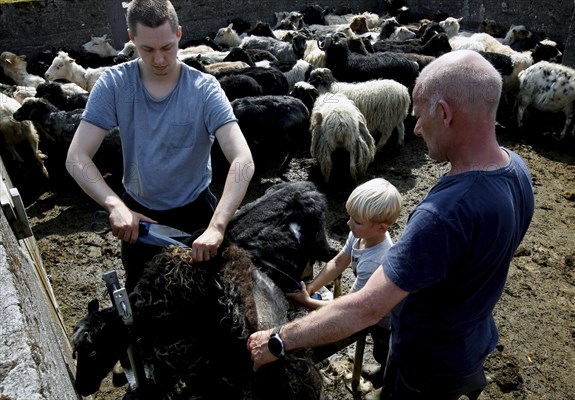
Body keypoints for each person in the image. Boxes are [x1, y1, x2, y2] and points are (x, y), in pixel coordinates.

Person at [247, 49, 535, 400]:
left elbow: (366, 308)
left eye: (418, 117)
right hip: (472, 337)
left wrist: (279, 339)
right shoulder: (516, 170)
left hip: (426, 361)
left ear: (444, 113)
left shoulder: (444, 215)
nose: (414, 128)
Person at [66, 0, 255, 292]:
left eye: (167, 48)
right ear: (132, 40)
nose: (159, 60)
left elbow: (243, 158)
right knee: (144, 296)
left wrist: (217, 227)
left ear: (179, 34)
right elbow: (77, 156)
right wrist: (114, 204)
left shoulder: (204, 89)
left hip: (198, 216)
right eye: (148, 50)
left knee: (207, 297)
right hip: (138, 218)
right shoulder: (114, 85)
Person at [286, 177, 402, 379]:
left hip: (385, 318)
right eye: (350, 217)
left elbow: (349, 308)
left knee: (384, 348)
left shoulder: (375, 262)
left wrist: (306, 302)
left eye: (356, 221)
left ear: (381, 228)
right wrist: (312, 287)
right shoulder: (360, 235)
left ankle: (386, 374)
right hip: (365, 300)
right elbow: (339, 262)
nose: (349, 223)